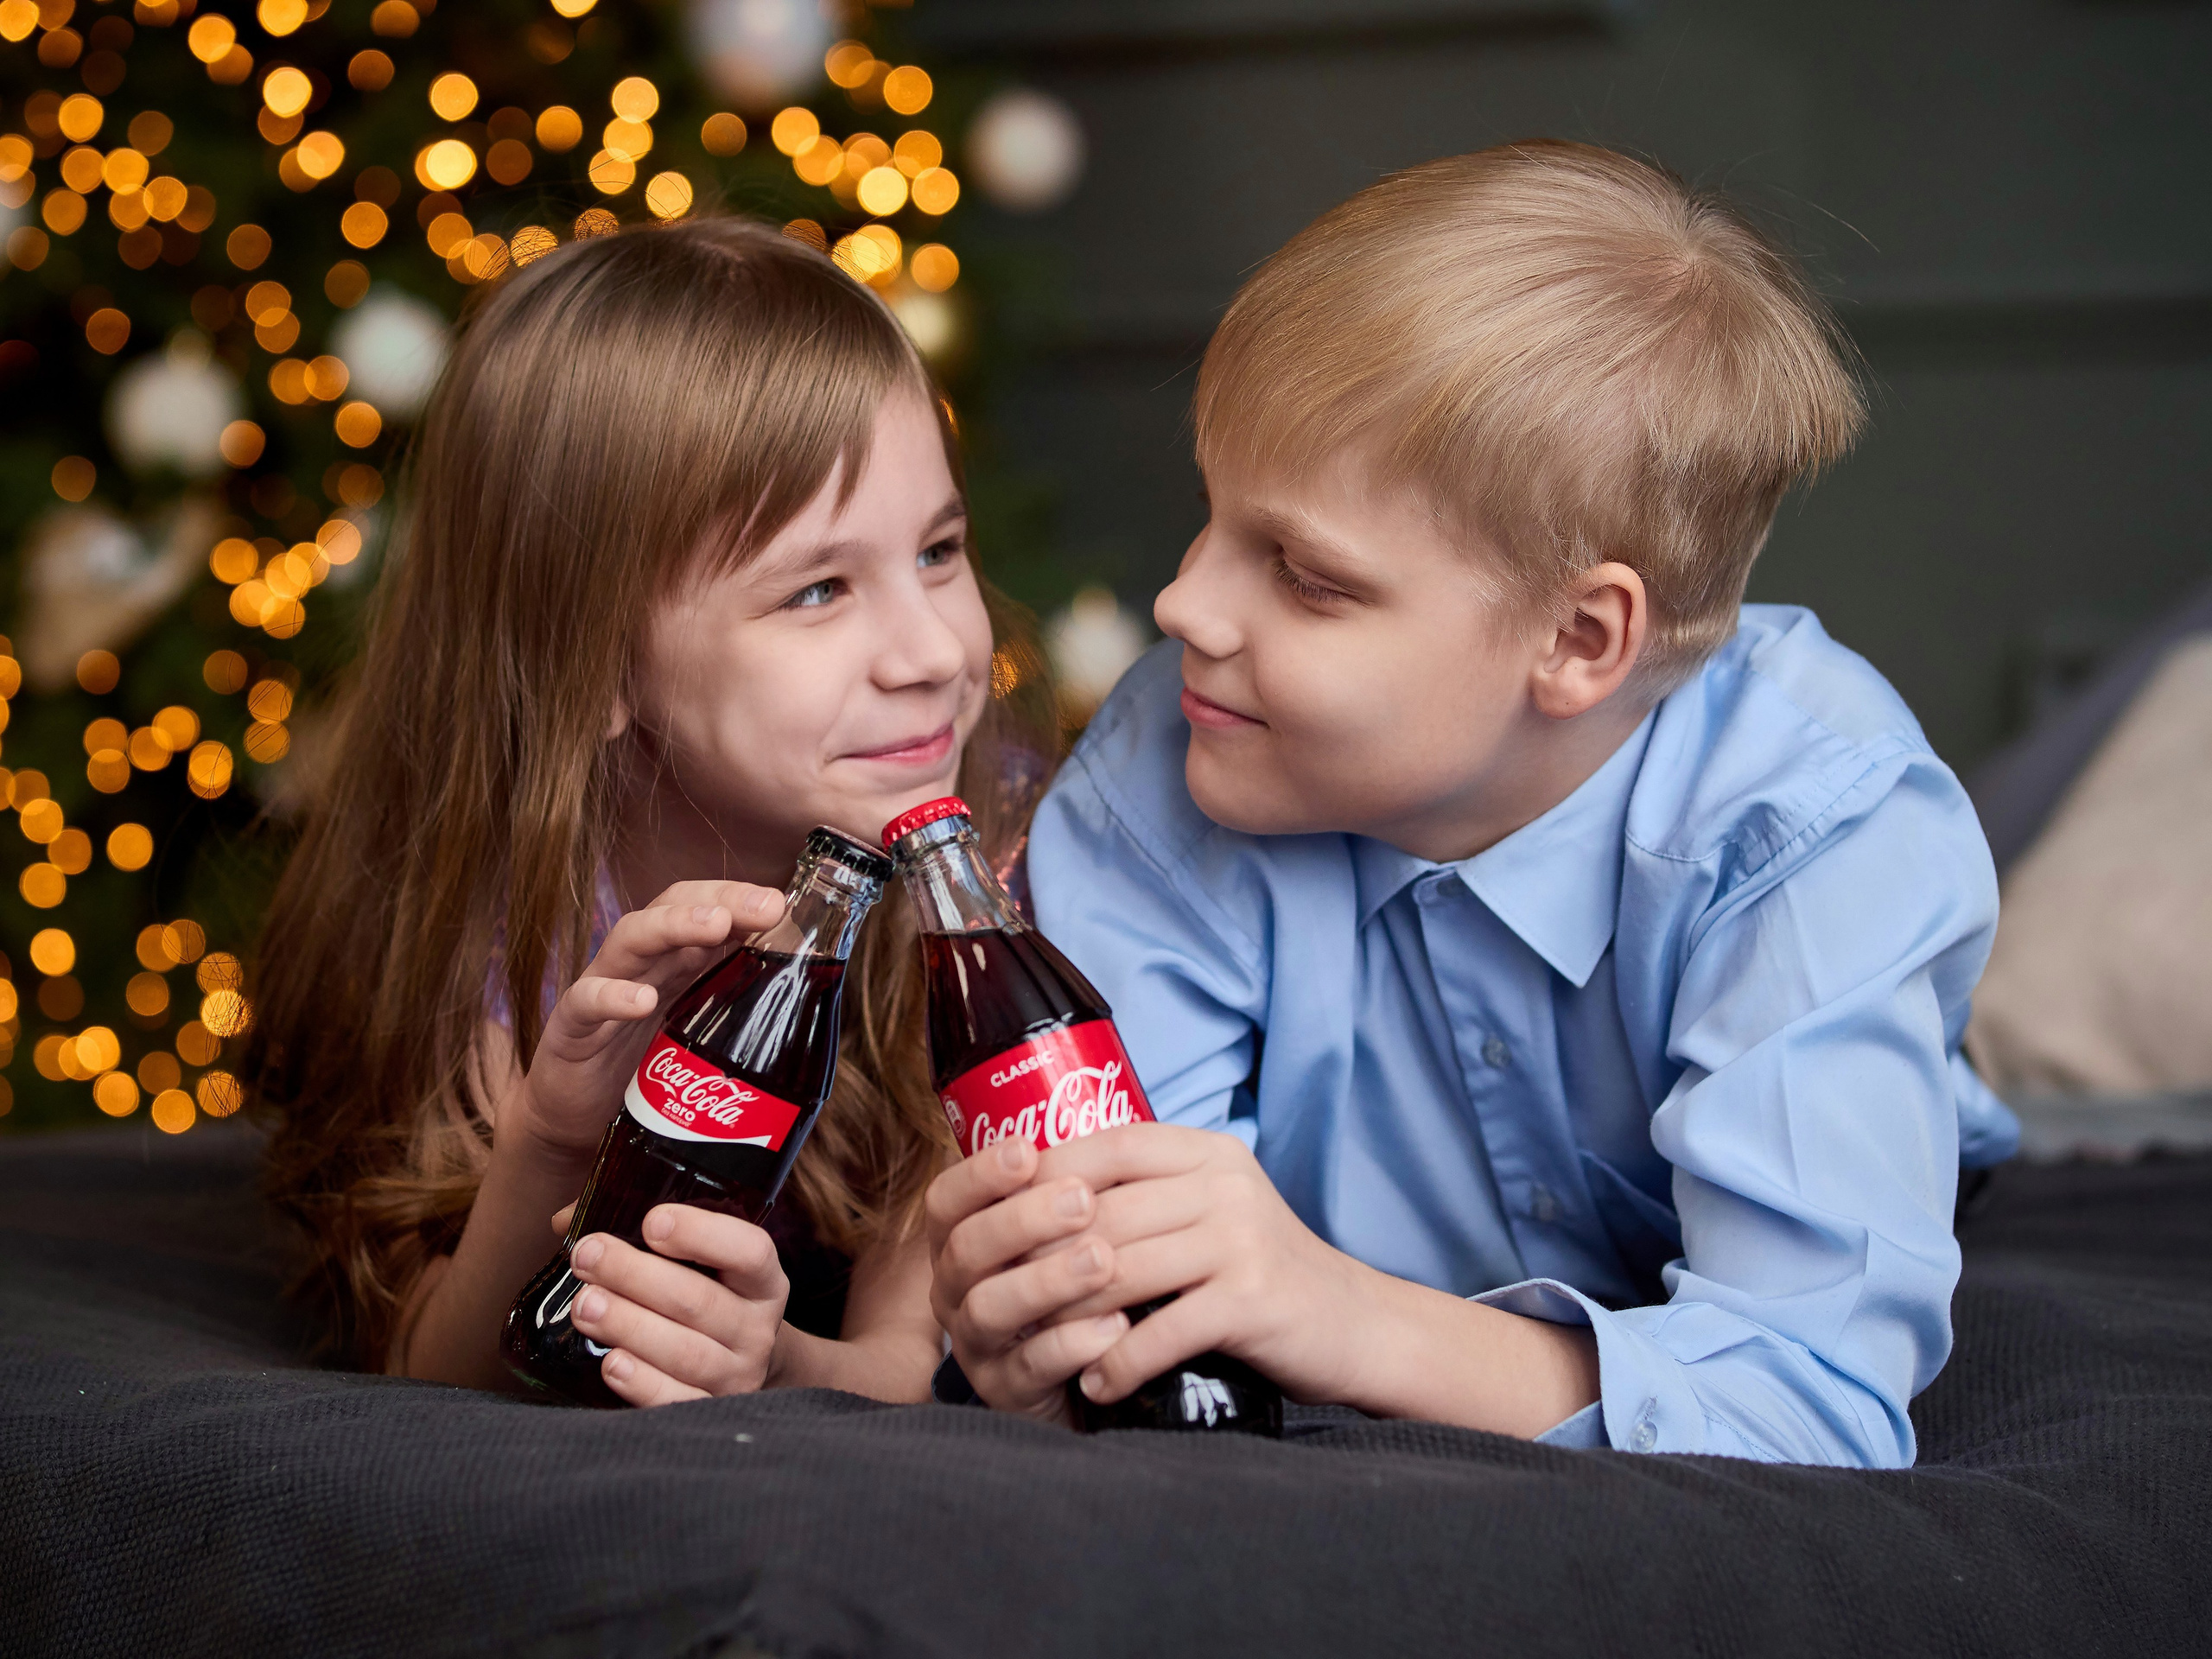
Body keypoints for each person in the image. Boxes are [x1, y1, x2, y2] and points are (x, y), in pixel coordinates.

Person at [925, 142, 2019, 1466]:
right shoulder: (1169, 774)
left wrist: (1342, 1316)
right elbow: (1151, 1327)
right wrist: (1064, 1332)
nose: (1185, 606)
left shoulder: (1810, 826)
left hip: (1820, 1126)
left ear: (1578, 641)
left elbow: (1809, 1401)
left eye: (1309, 577)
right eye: (1210, 517)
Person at [248, 218, 1055, 1407]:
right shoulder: (494, 935)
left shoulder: (987, 862)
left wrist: (774, 1361)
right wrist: (548, 1148)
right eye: (819, 589)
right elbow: (430, 1372)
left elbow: (896, 1365)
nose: (935, 650)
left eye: (940, 550)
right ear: (597, 670)